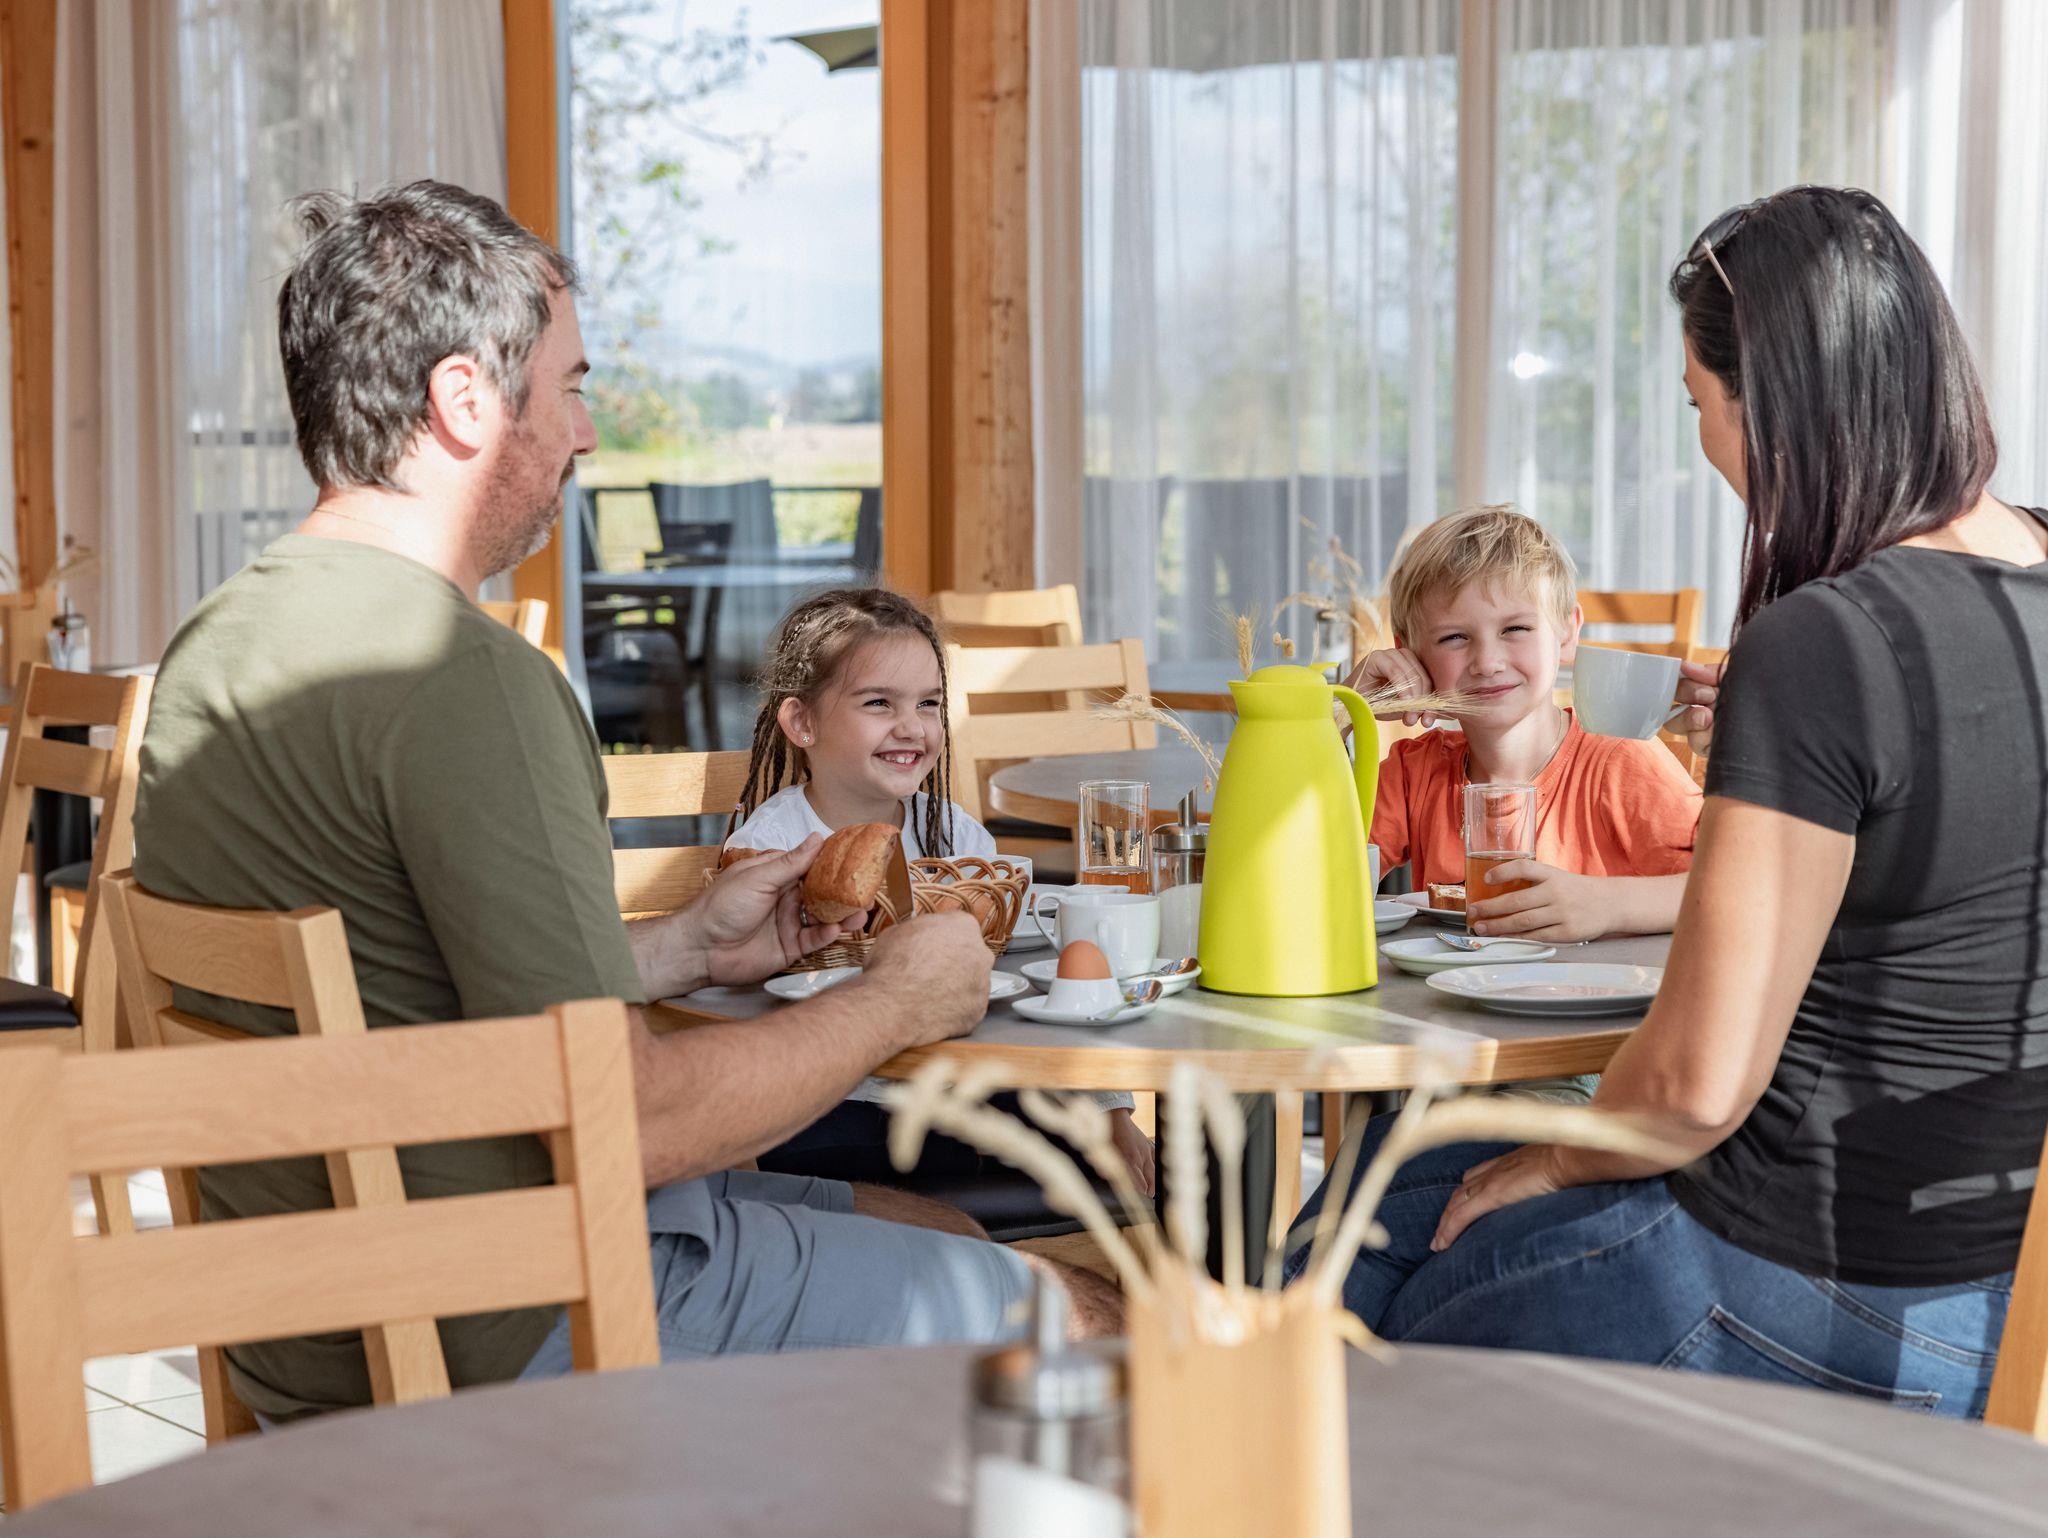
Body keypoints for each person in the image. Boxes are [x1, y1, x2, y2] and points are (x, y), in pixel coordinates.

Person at [131, 180, 1117, 1424]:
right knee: (1109, 1323)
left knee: (940, 1227)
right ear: (465, 400)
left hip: (314, 1317)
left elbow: (412, 993)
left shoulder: (217, 643)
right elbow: (636, 1121)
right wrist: (894, 1000)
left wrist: (685, 946)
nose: (587, 432)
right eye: (571, 386)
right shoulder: (461, 678)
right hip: (525, 1315)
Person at [1288, 185, 2046, 1418]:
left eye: (1699, 404)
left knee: (1355, 1343)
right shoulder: (2016, 571)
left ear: (1776, 401)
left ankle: (1269, 1439)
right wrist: (1787, 736)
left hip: (1805, 1274)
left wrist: (1554, 1159)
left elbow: (1694, 1084)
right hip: (1998, 1283)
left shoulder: (1827, 638)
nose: (1705, 443)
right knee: (1402, 1164)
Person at [726, 587, 1156, 1193]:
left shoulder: (958, 837)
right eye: (879, 702)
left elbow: (1033, 981)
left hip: (967, 1086)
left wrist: (1110, 1108)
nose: (912, 727)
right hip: (834, 1101)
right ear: (802, 722)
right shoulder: (768, 849)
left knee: (1151, 1165)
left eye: (928, 704)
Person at [1346, 504, 1702, 945]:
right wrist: (1339, 713)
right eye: (1454, 637)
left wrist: (1608, 903)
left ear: (1567, 632)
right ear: (1409, 654)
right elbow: (1301, 873)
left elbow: (1729, 888)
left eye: (1514, 628)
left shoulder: (1620, 760)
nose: (1488, 662)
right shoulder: (1412, 773)